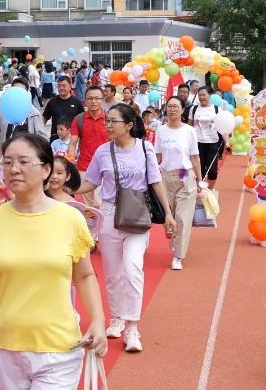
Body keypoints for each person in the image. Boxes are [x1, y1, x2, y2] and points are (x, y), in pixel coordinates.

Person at [0, 133, 108, 385]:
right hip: (5, 346)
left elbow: (85, 275)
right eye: (8, 162)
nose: (14, 169)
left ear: (46, 170)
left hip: (58, 348)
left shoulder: (70, 218)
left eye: (23, 162)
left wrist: (98, 320)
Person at [77, 103, 176, 353]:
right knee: (112, 274)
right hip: (109, 214)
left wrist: (168, 213)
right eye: (107, 121)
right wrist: (66, 188)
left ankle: (132, 326)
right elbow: (91, 182)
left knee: (132, 268)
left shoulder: (145, 148)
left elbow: (155, 181)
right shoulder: (102, 151)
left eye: (114, 121)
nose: (108, 125)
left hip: (136, 216)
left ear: (129, 125)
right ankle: (117, 318)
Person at [155, 96, 202, 271]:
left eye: (176, 106)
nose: (172, 109)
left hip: (185, 174)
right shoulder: (161, 130)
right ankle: (175, 240)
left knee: (183, 218)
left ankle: (178, 256)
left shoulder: (189, 131)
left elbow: (195, 157)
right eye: (169, 106)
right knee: (169, 216)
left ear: (182, 110)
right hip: (166, 176)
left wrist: (200, 180)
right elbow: (157, 156)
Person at [69, 85, 109, 206]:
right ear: (85, 100)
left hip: (106, 166)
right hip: (84, 166)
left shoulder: (110, 119)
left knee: (100, 201)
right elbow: (72, 143)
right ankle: (91, 218)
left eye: (97, 98)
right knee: (88, 203)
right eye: (90, 98)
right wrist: (69, 163)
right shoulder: (79, 119)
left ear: (102, 100)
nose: (93, 101)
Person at [192, 87, 223, 191]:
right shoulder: (194, 109)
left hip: (212, 143)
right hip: (197, 143)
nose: (201, 97)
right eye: (199, 95)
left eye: (204, 95)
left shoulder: (217, 109)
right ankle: (200, 191)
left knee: (213, 171)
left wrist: (226, 140)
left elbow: (222, 126)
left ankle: (210, 190)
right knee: (199, 170)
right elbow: (189, 126)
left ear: (210, 95)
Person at [42, 75, 83, 142]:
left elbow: (82, 121)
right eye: (59, 86)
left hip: (72, 138)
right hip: (55, 137)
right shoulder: (52, 102)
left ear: (70, 86)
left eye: (64, 86)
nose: (61, 88)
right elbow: (44, 118)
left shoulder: (77, 102)